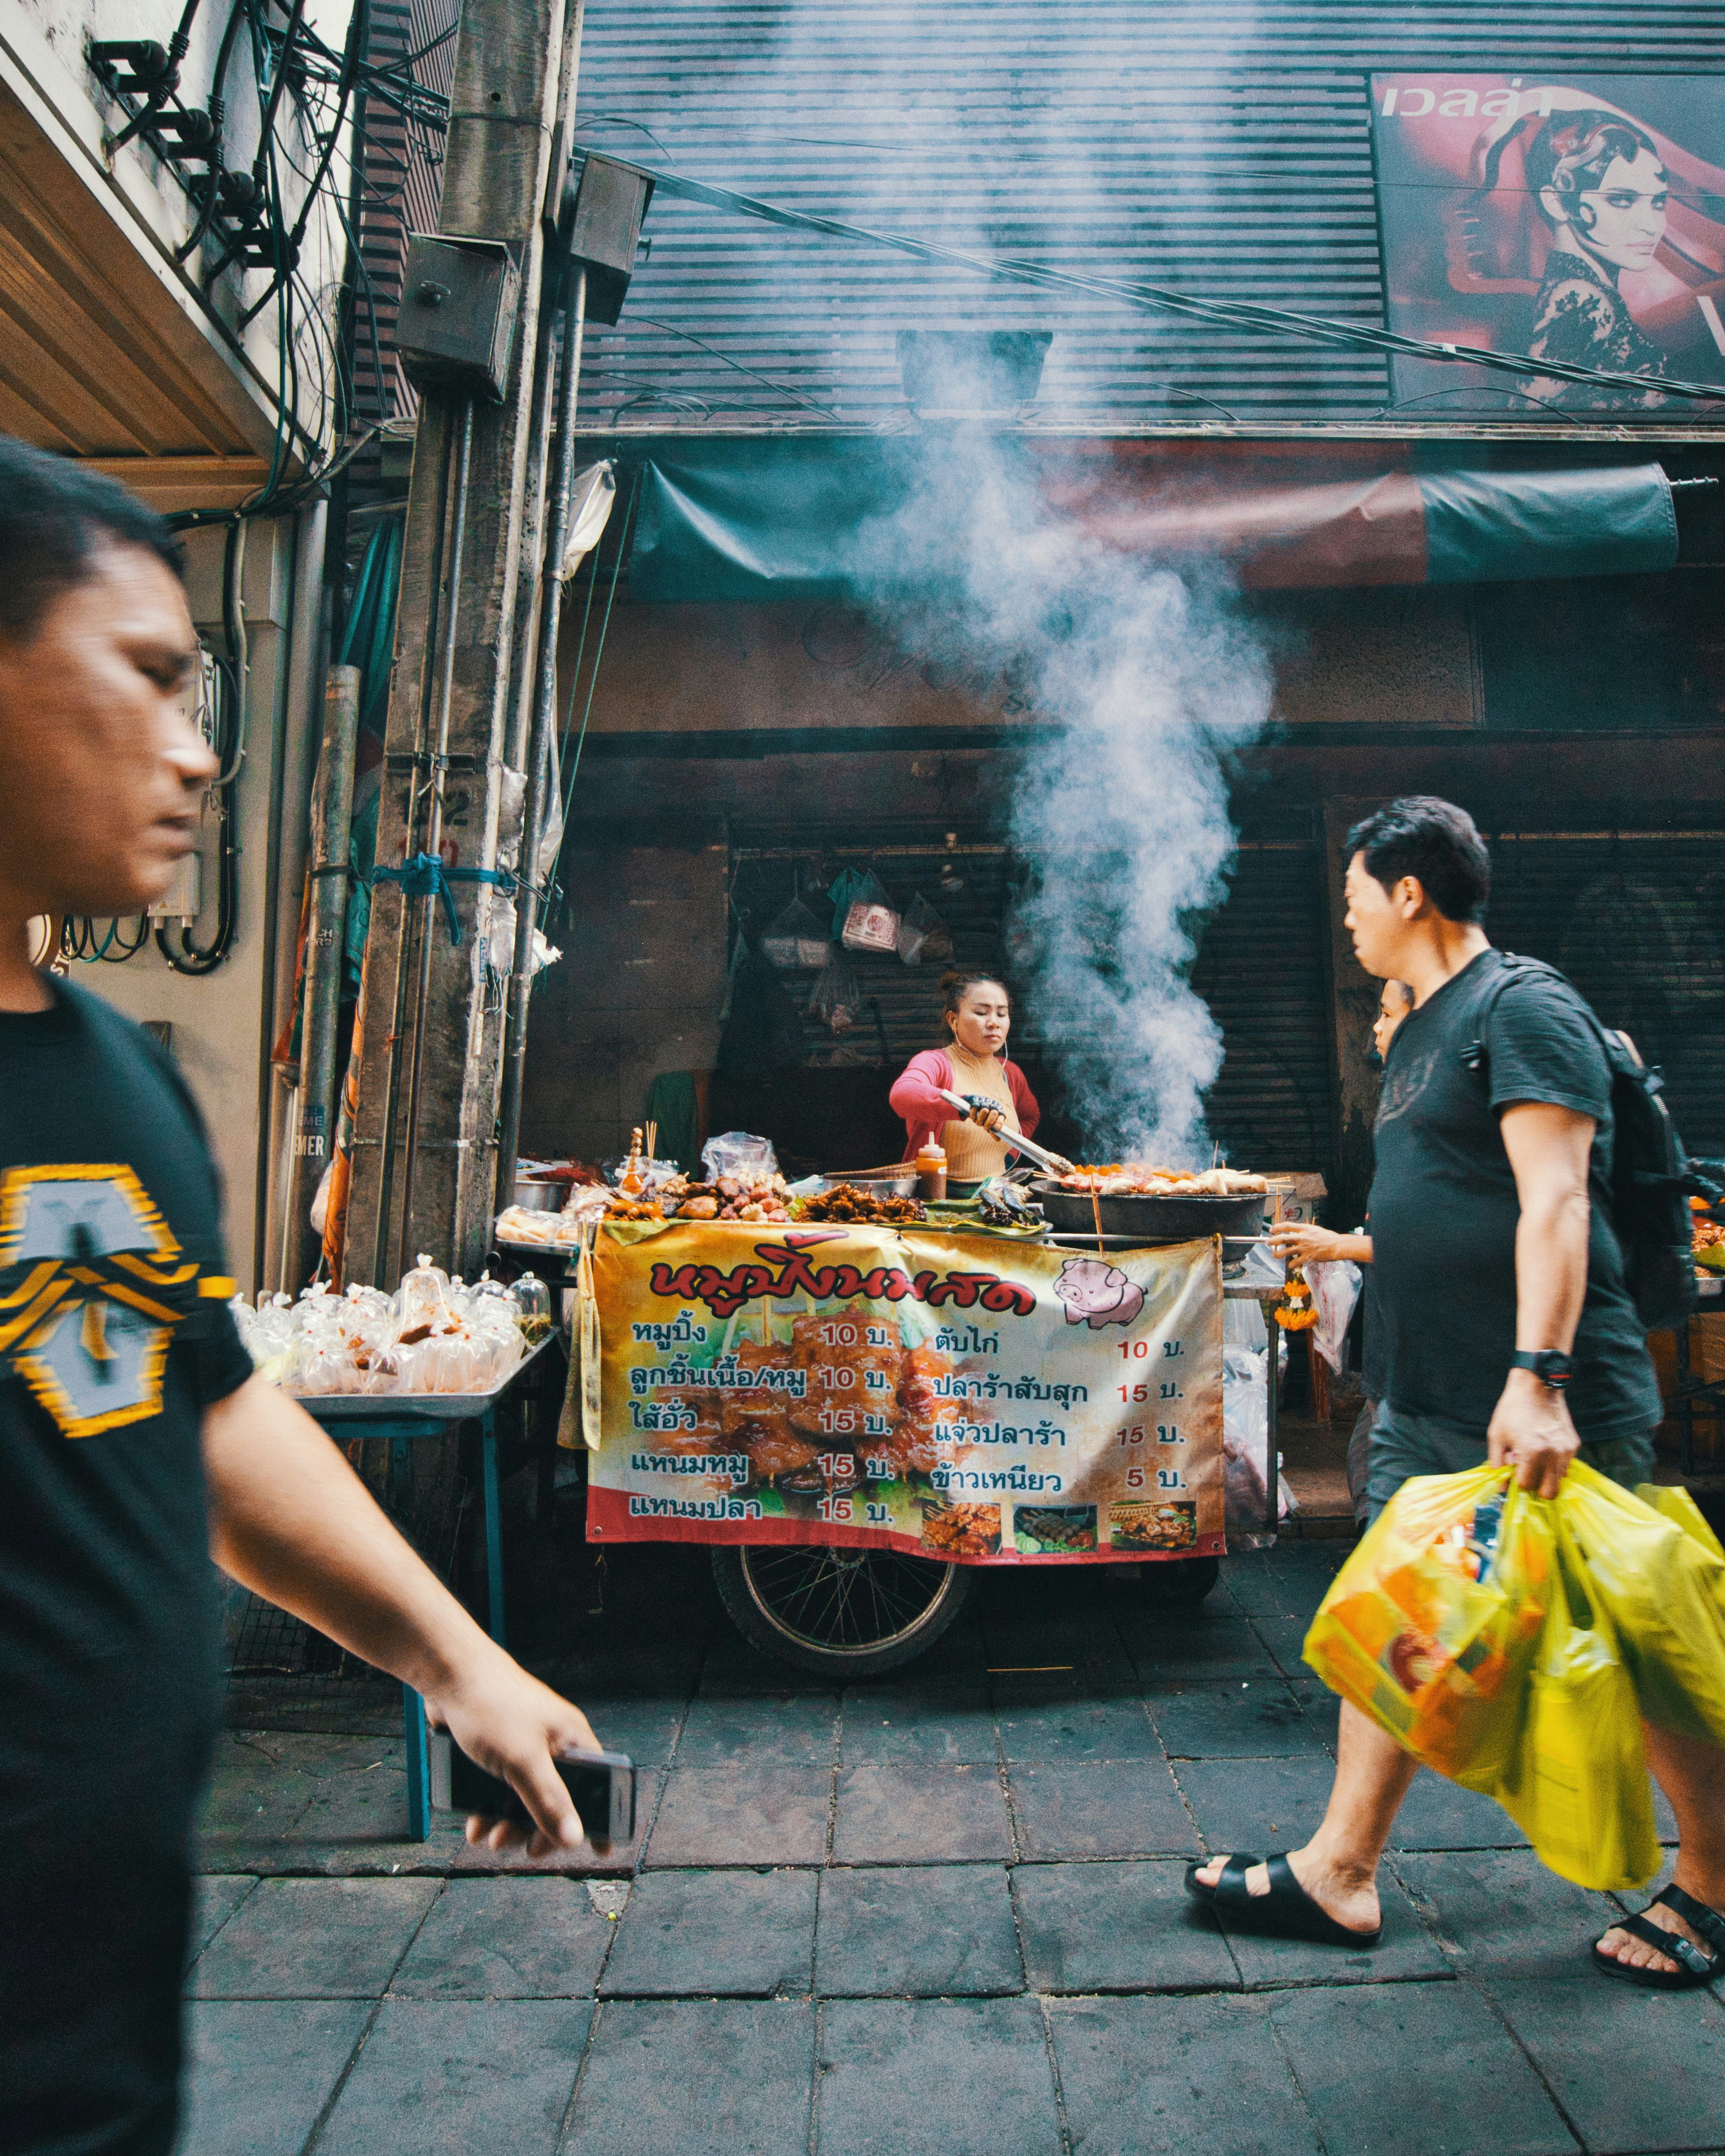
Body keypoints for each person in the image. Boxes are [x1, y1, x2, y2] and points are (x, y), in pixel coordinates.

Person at [0, 439, 608, 2156]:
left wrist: (457, 1662)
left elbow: (181, 1407)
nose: (201, 752)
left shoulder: (112, 1085)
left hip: (89, 2046)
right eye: (145, 678)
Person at [1192, 794, 1725, 1989]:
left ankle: (1715, 1884)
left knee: (1634, 1641)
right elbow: (1442, 1198)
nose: (1346, 923)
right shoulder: (1419, 1025)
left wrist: (1539, 1378)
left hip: (1547, 1402)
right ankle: (1340, 1870)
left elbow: (1555, 1200)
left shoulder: (1522, 1008)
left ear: (1409, 894)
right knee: (1395, 1621)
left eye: (1351, 899)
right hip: (1431, 1396)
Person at [1270, 978, 1414, 1524]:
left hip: (1428, 1360)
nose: (1374, 1028)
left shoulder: (1445, 1110)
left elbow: (1451, 1236)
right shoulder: (1406, 1099)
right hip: (1400, 1355)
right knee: (1373, 1469)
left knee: (1381, 1482)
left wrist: (1340, 1244)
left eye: (1385, 1013)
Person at [1523, 110, 1672, 410]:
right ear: (1556, 202)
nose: (1651, 225)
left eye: (1658, 202)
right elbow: (1531, 418)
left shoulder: (1584, 291)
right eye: (1621, 200)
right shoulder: (1582, 299)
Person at [888, 971, 1040, 1193]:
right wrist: (965, 1104)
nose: (994, 1023)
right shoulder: (936, 1063)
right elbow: (901, 1095)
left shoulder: (1011, 1073)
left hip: (995, 1197)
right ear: (953, 1019)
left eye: (1002, 1014)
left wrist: (1009, 1156)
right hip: (938, 1197)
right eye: (981, 1012)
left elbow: (1030, 1116)